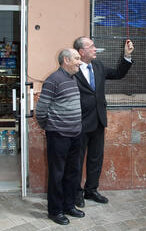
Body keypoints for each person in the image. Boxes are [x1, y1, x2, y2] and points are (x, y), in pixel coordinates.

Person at [73, 36, 134, 207]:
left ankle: (91, 190)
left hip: (99, 120)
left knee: (95, 158)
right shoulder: (73, 69)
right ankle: (76, 192)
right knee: (77, 160)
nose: (95, 49)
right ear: (81, 52)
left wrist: (126, 56)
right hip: (80, 123)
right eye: (91, 46)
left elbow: (118, 74)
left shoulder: (98, 66)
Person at [36, 49, 85, 226]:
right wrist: (49, 127)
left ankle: (68, 205)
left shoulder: (72, 79)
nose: (80, 62)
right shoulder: (53, 80)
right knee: (57, 174)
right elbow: (41, 110)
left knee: (73, 173)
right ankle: (55, 211)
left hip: (75, 134)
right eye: (77, 58)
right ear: (66, 60)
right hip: (58, 135)